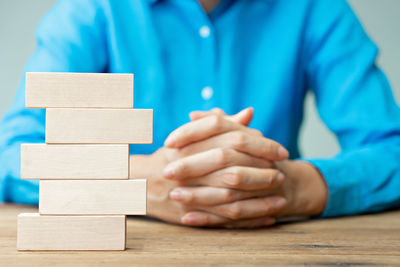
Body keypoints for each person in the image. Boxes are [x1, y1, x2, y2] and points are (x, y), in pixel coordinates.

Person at [0, 0, 399, 228]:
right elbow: (13, 155)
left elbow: (391, 150)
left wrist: (294, 187)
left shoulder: (315, 9)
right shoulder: (93, 10)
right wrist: (139, 184)